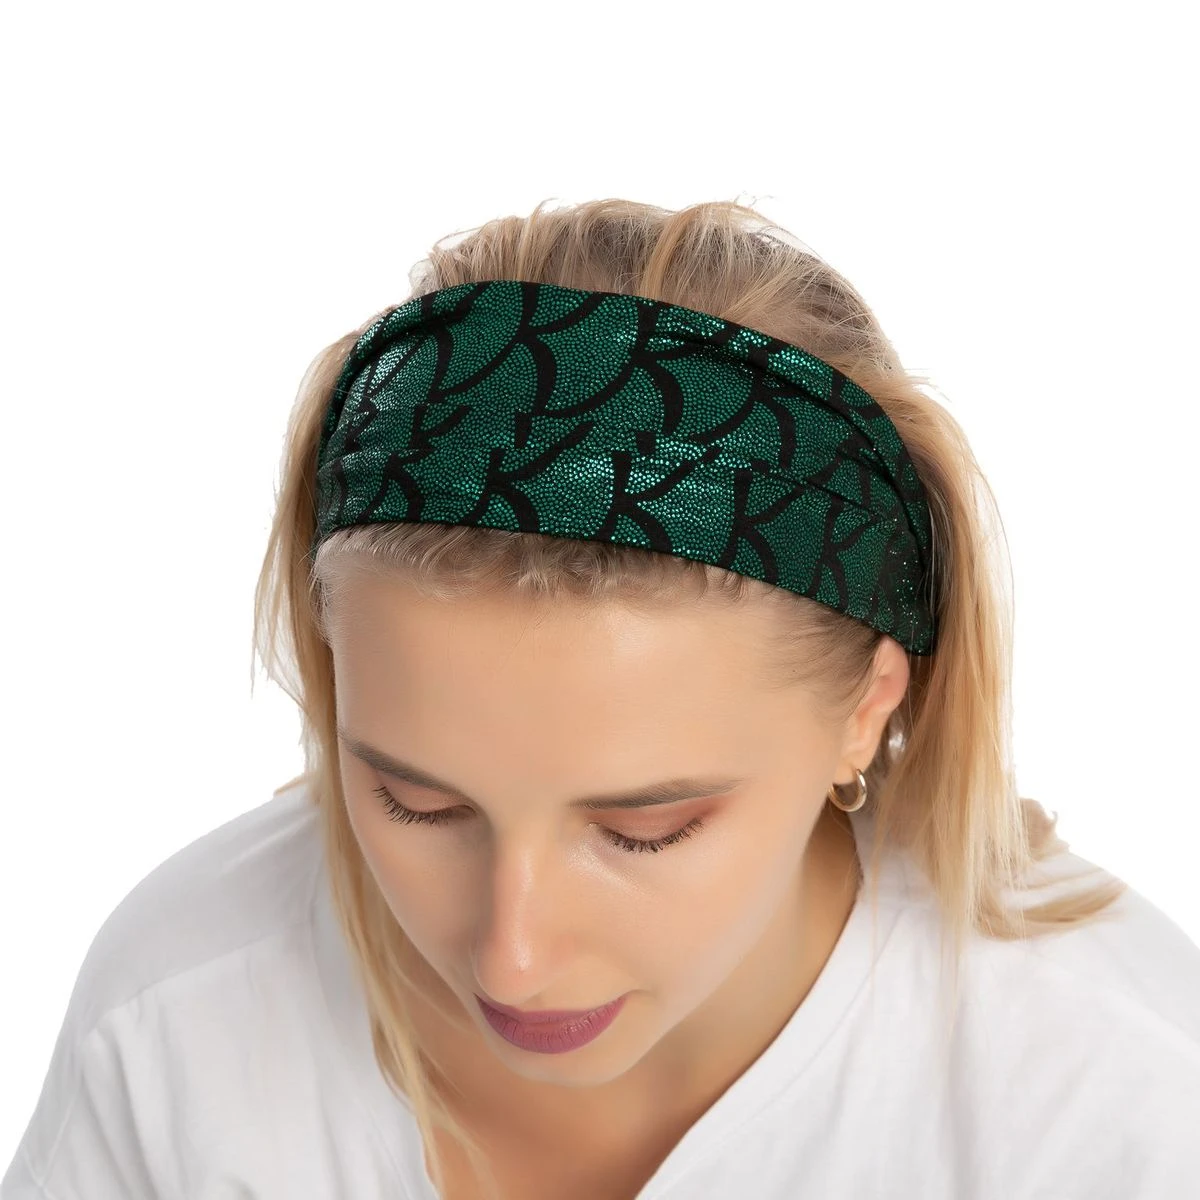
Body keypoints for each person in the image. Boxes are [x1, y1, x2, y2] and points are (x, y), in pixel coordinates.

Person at [5, 197, 1199, 1200]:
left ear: (865, 708)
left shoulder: (1113, 1098)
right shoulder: (178, 1018)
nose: (513, 958)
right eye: (415, 802)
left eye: (644, 829)